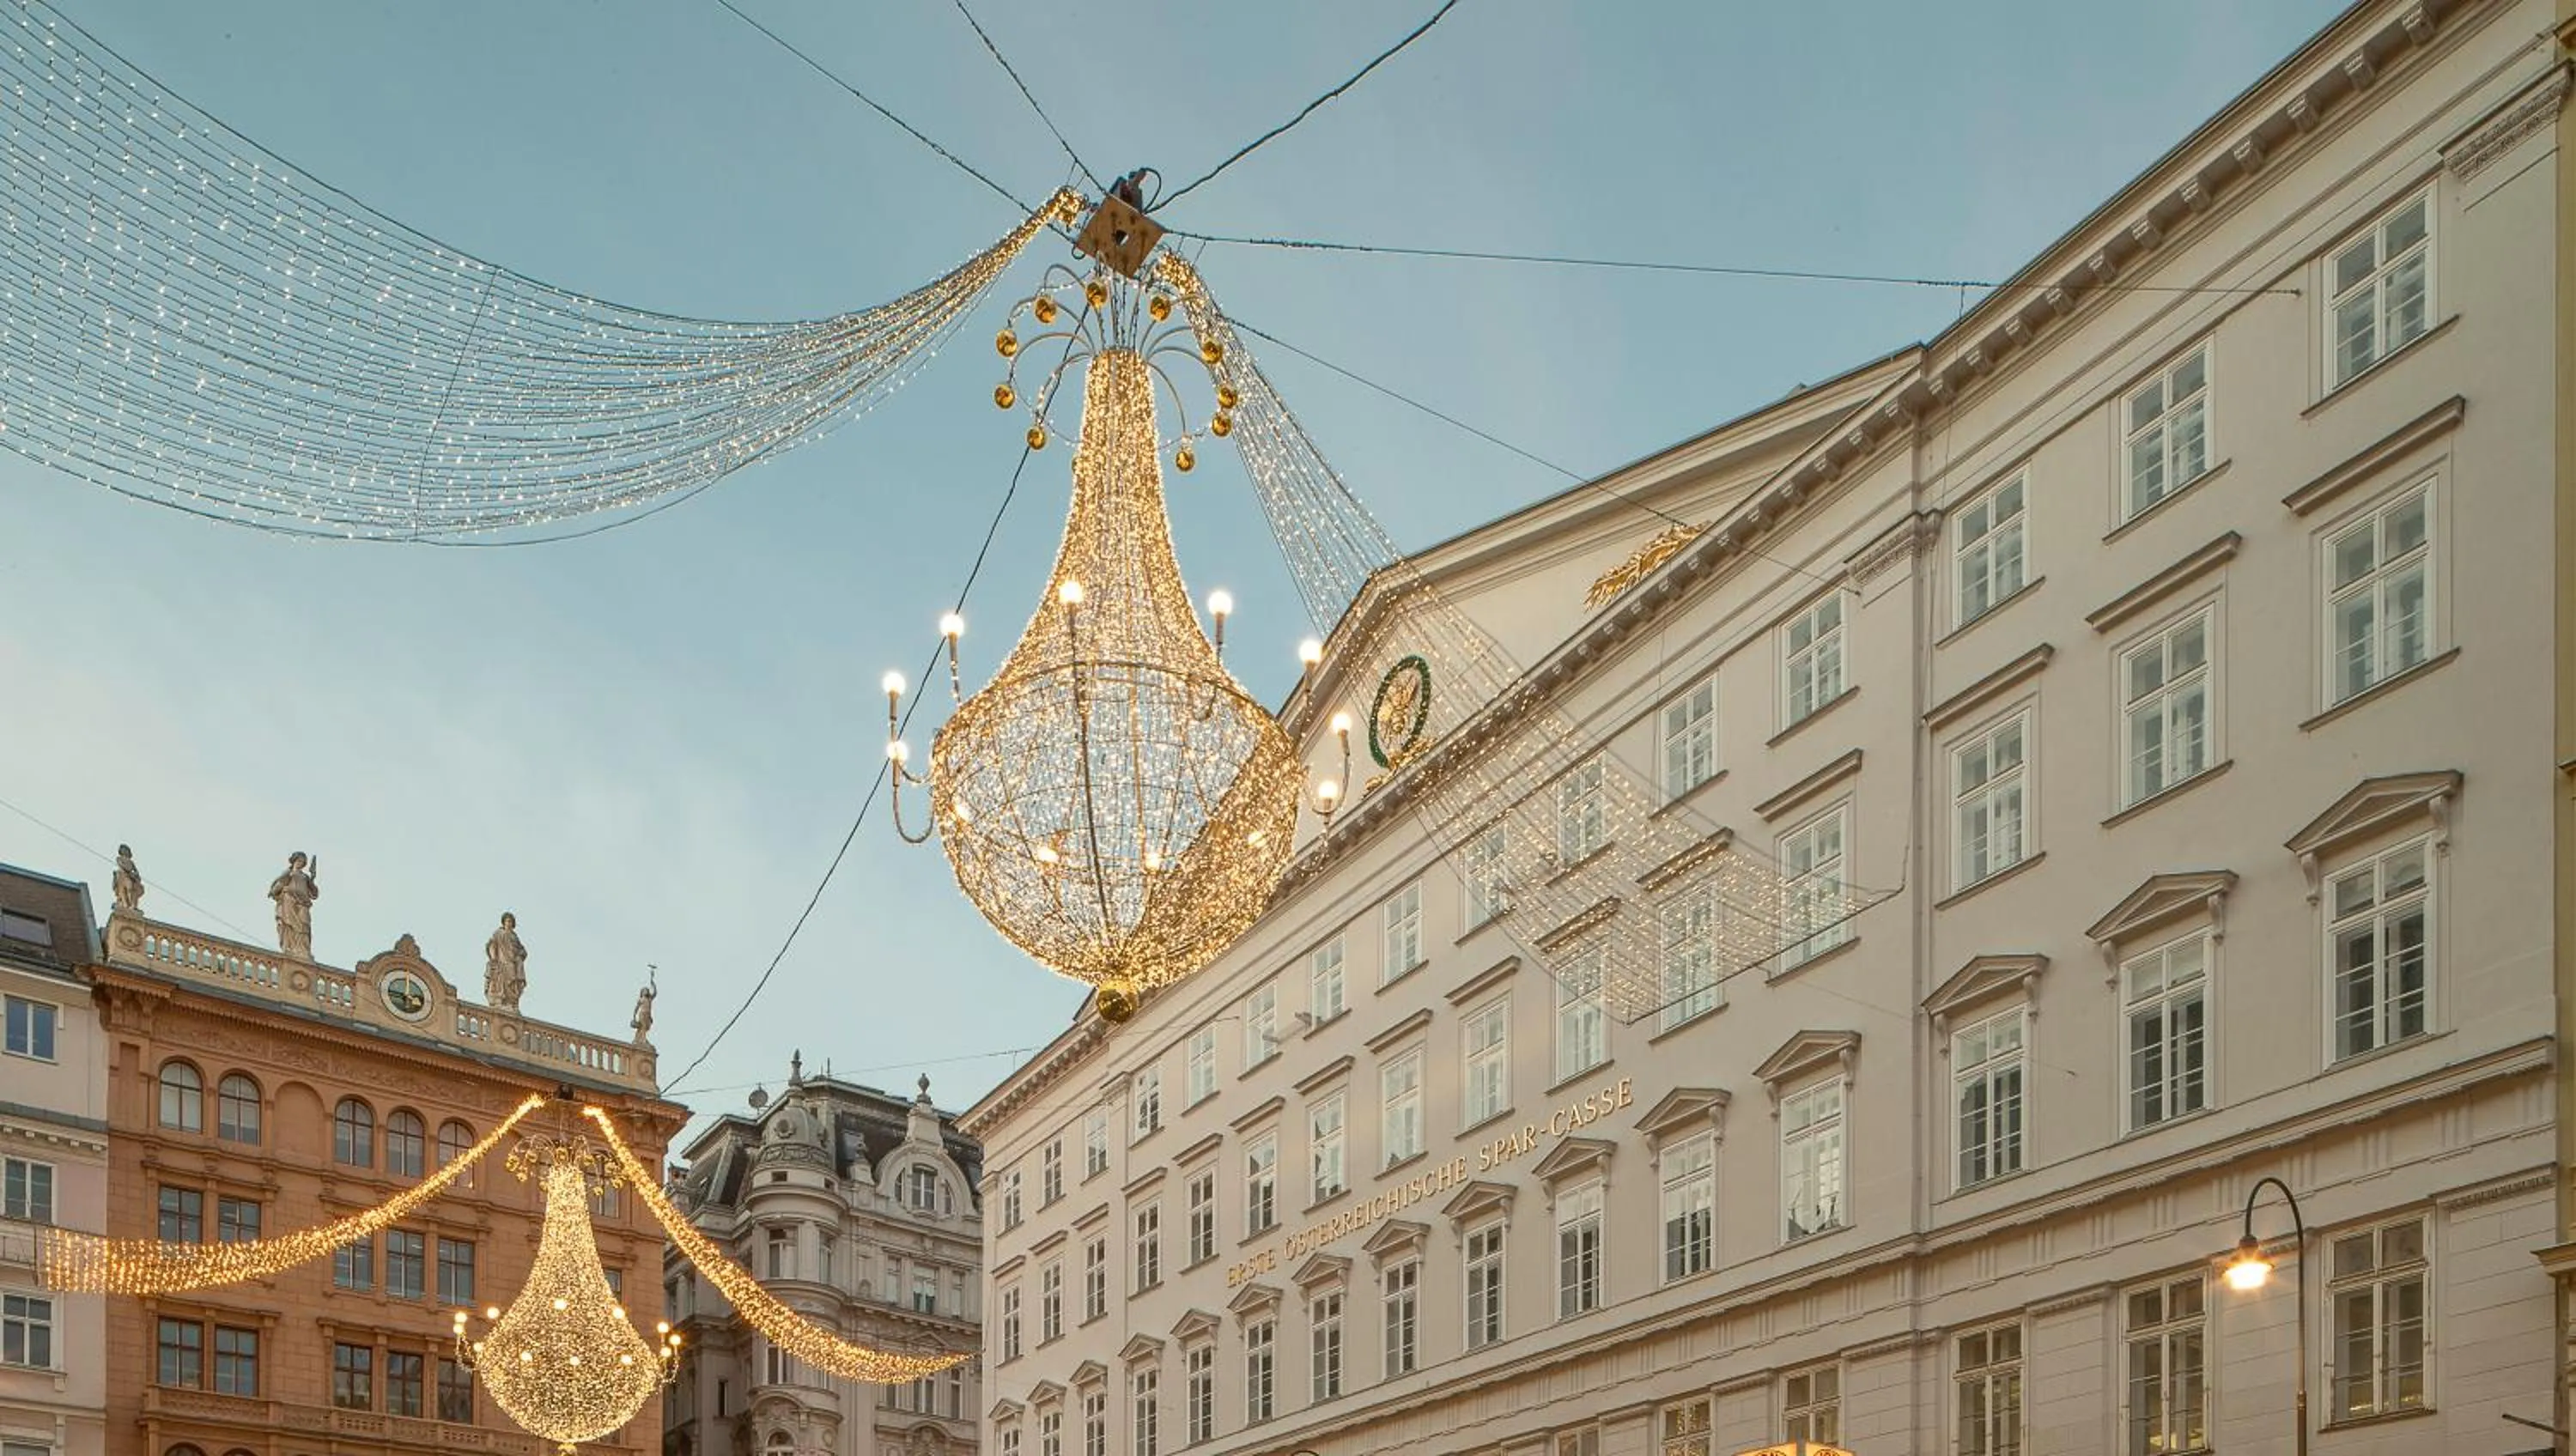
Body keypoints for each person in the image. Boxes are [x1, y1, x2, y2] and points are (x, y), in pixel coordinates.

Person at [268, 852, 319, 960]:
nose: (301, 863)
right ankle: (290, 947)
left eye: (303, 862)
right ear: (294, 861)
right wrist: (274, 891)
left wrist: (312, 879)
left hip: (303, 903)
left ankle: (303, 951)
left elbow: (314, 894)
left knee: (304, 925)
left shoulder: (305, 877)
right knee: (288, 924)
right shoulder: (288, 873)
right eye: (299, 861)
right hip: (289, 900)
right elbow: (278, 886)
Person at [484, 912, 527, 1010]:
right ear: (504, 922)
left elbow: (523, 950)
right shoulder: (498, 933)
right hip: (501, 961)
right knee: (500, 980)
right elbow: (492, 944)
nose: (509, 923)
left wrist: (519, 956)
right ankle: (500, 1001)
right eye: (507, 921)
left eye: (511, 922)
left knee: (512, 982)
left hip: (512, 963)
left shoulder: (515, 937)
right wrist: (493, 957)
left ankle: (511, 1003)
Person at [111, 844, 144, 913]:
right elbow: (122, 866)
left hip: (129, 876)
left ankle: (132, 905)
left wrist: (135, 874)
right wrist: (130, 872)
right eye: (123, 850)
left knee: (130, 888)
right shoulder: (119, 858)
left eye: (126, 850)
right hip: (122, 875)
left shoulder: (131, 862)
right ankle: (125, 905)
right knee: (123, 890)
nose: (125, 851)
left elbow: (136, 870)